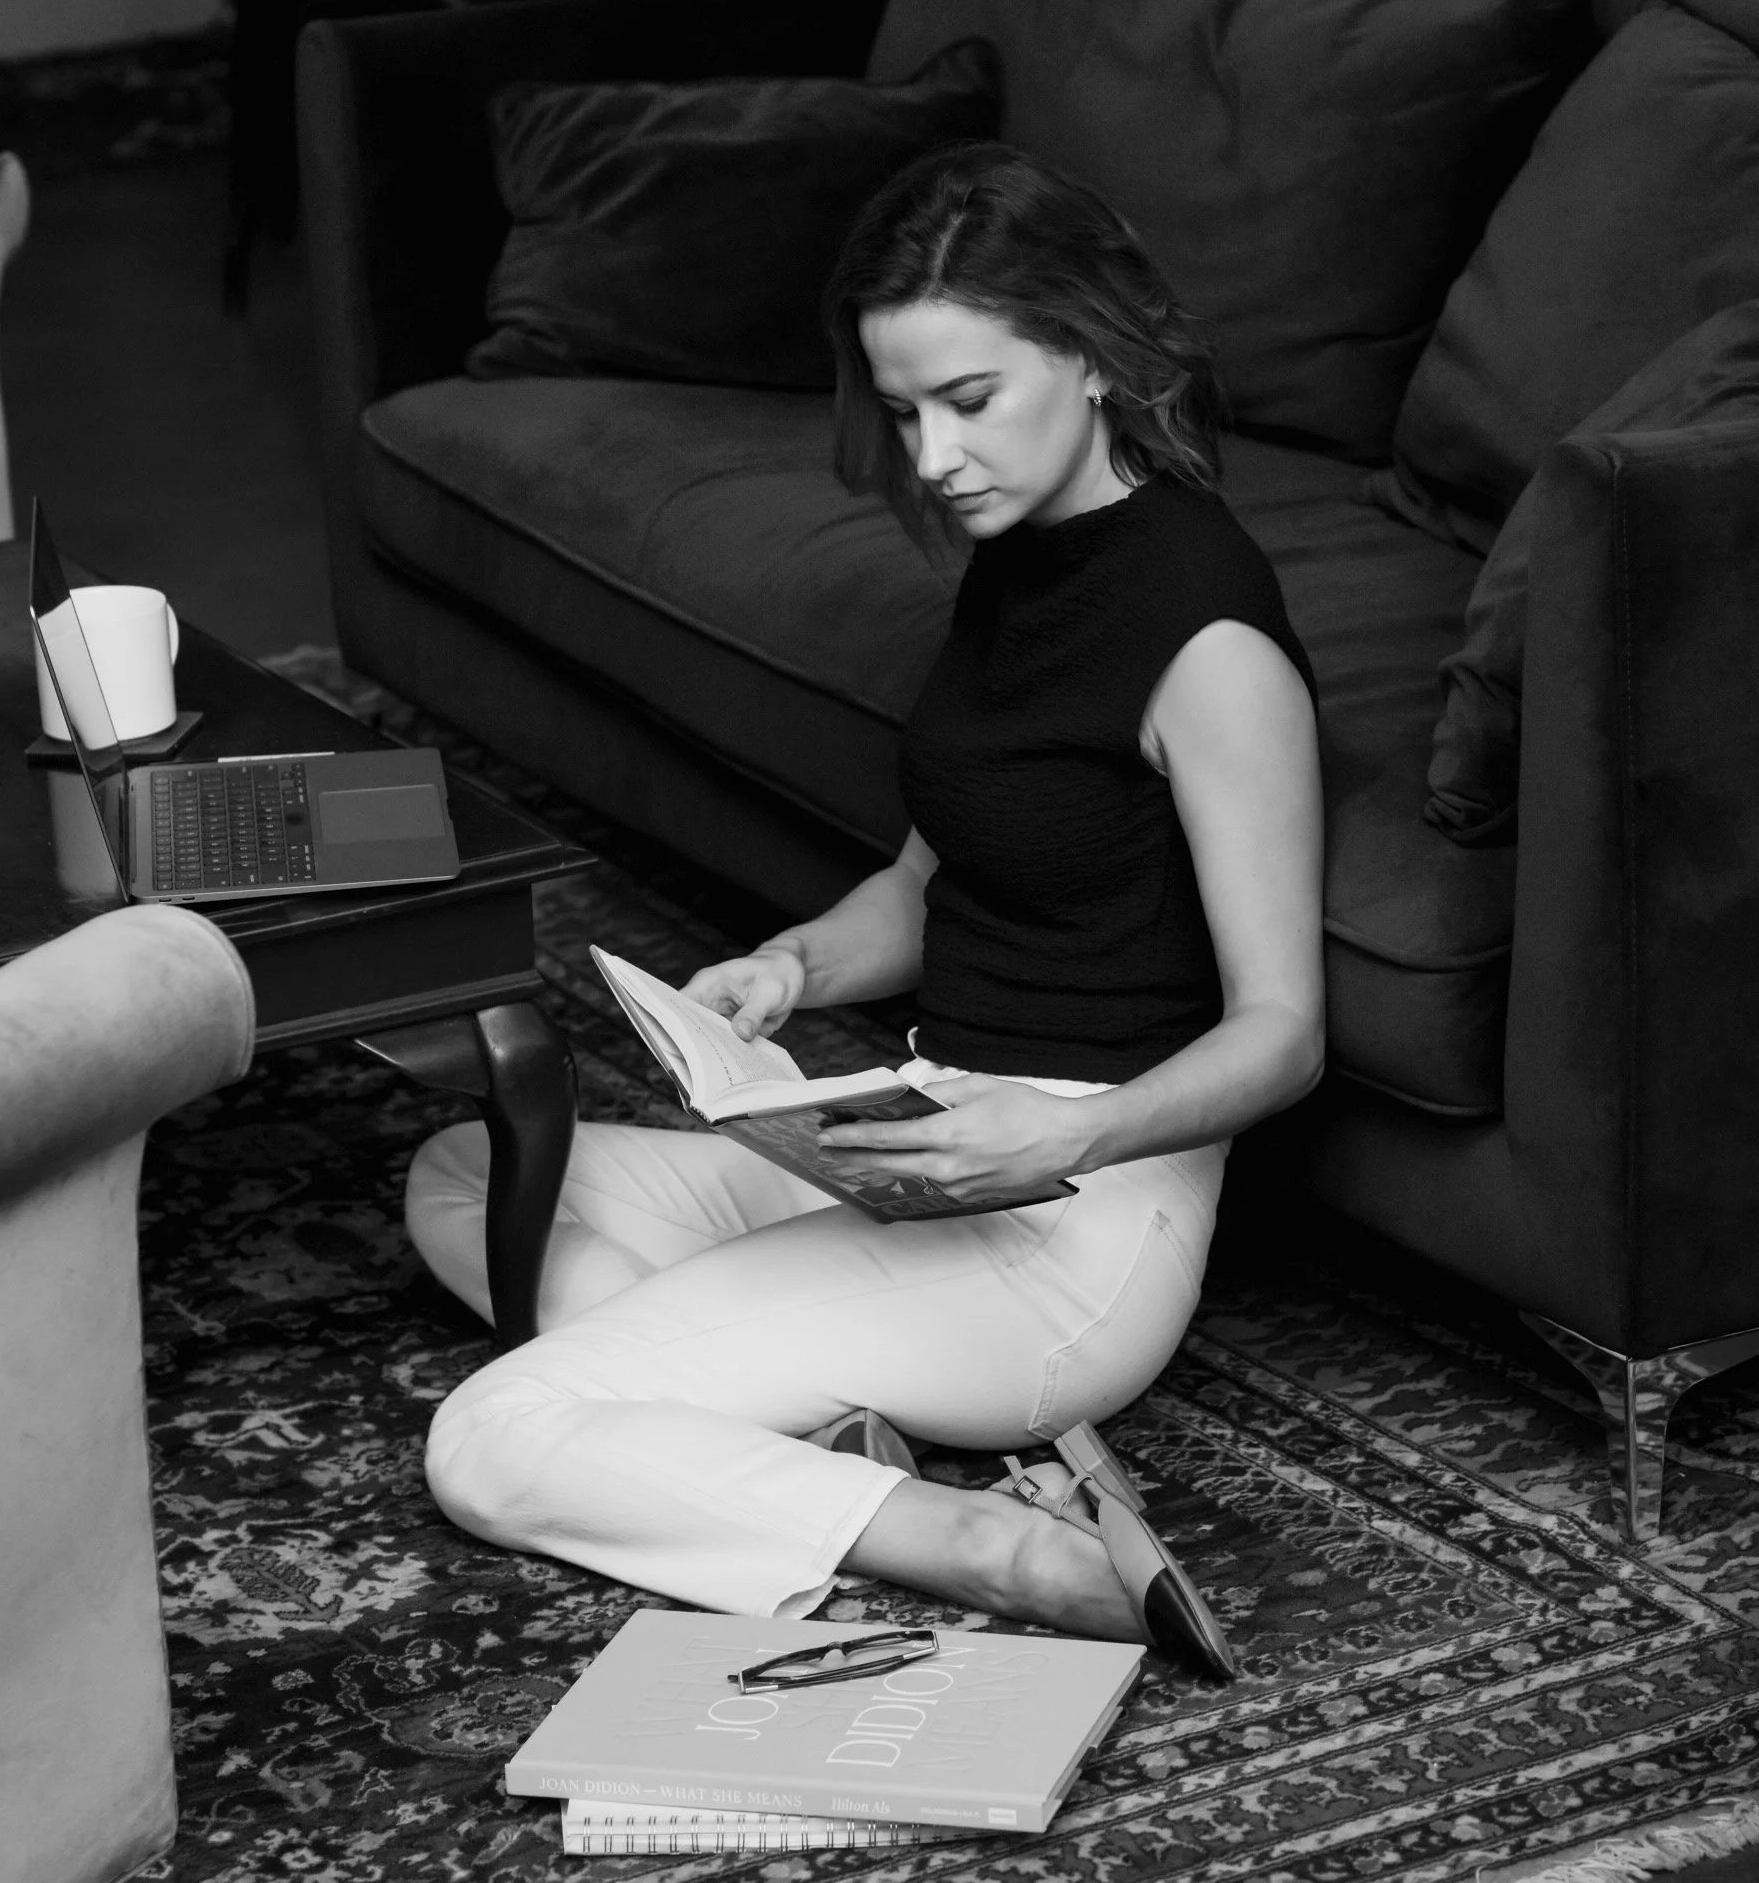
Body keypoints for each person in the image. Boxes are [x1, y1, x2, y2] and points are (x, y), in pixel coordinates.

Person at [405, 142, 1323, 1665]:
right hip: (913, 1145)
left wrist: (1069, 1131)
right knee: (468, 1168)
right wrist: (786, 966)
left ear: (1090, 361)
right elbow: (928, 881)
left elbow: (1284, 1034)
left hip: (1071, 1230)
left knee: (491, 1441)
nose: (933, 456)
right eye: (904, 414)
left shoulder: (1207, 643)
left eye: (969, 402)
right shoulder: (1019, 558)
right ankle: (817, 1436)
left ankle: (984, 1545)